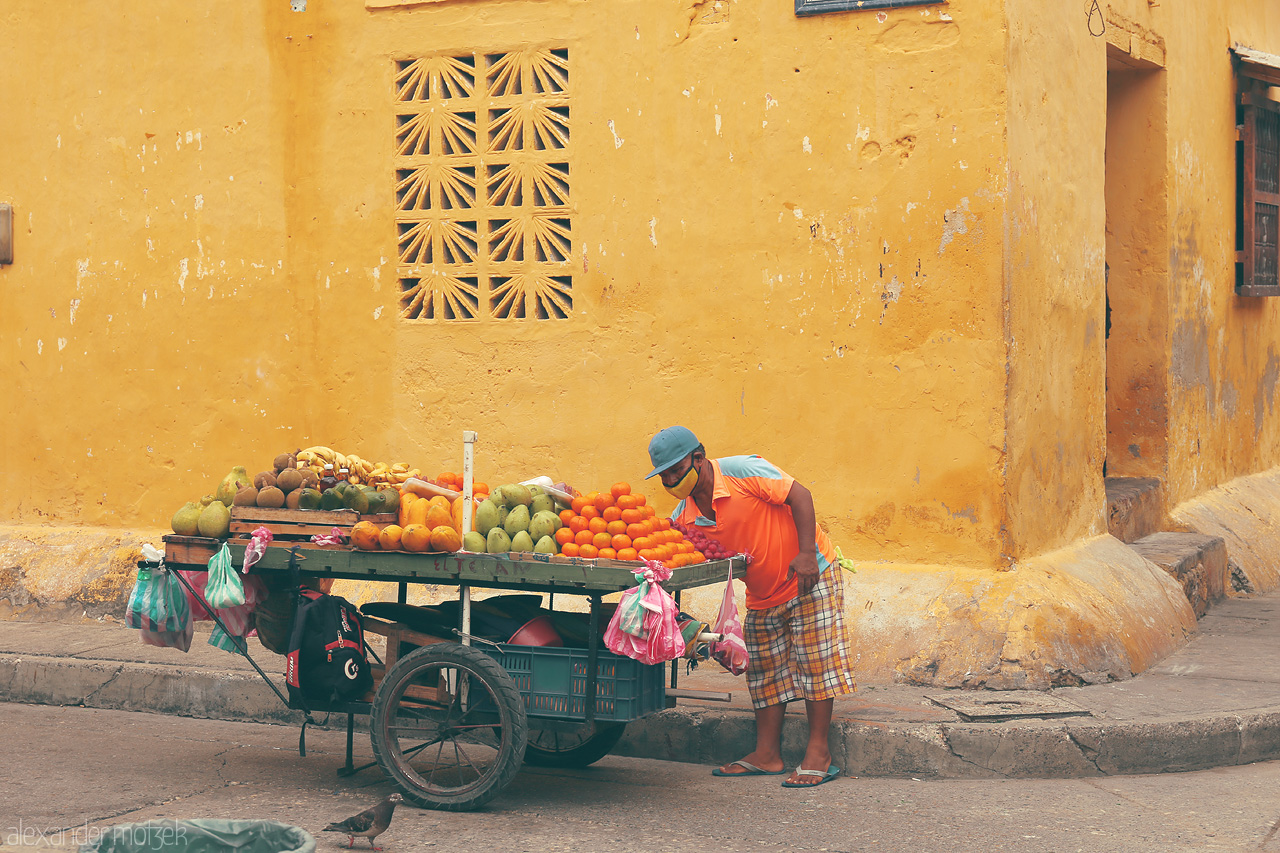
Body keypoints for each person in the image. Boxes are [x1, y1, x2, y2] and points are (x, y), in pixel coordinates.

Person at [645, 426, 855, 788]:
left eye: (675, 470)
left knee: (815, 665)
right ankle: (767, 755)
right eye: (664, 475)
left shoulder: (741, 471)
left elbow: (799, 495)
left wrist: (806, 554)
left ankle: (818, 752)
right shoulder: (684, 515)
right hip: (762, 593)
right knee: (765, 673)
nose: (670, 479)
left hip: (810, 575)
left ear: (698, 458)